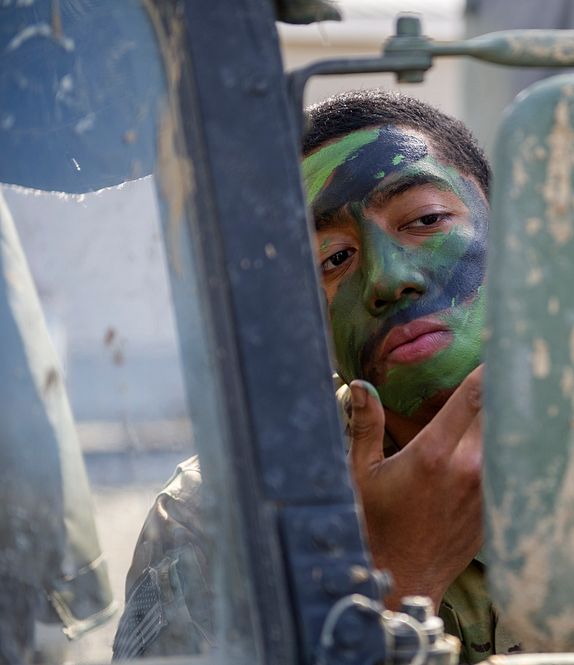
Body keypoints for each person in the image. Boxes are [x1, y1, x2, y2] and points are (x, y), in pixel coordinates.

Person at [114, 89, 510, 662]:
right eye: (333, 258)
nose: (387, 278)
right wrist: (396, 585)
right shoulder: (222, 521)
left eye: (425, 219)